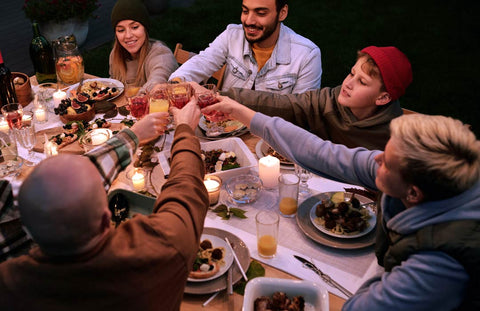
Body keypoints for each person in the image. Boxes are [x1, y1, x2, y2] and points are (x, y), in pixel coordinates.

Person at [201, 99, 480, 309]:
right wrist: (242, 113)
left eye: (387, 162)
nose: (376, 160)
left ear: (414, 194)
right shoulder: (432, 179)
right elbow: (324, 154)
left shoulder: (440, 265)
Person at [0, 102, 210, 311]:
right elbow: (186, 185)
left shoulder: (9, 284)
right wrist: (184, 130)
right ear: (106, 216)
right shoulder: (162, 245)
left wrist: (132, 136)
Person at [216, 45, 413, 150]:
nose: (348, 83)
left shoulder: (395, 137)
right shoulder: (328, 101)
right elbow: (282, 104)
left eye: (362, 82)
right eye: (352, 73)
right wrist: (222, 97)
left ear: (382, 98)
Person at [169, 0, 322, 94]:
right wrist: (176, 82)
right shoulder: (232, 35)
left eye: (260, 13)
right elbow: (202, 62)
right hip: (224, 128)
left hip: (272, 140)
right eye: (245, 11)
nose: (249, 21)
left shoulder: (307, 55)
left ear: (282, 13)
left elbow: (303, 113)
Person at [109, 0, 178, 92]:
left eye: (134, 27)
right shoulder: (115, 54)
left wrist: (139, 97)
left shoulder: (161, 54)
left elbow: (157, 81)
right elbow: (113, 84)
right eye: (121, 30)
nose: (128, 35)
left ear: (145, 28)